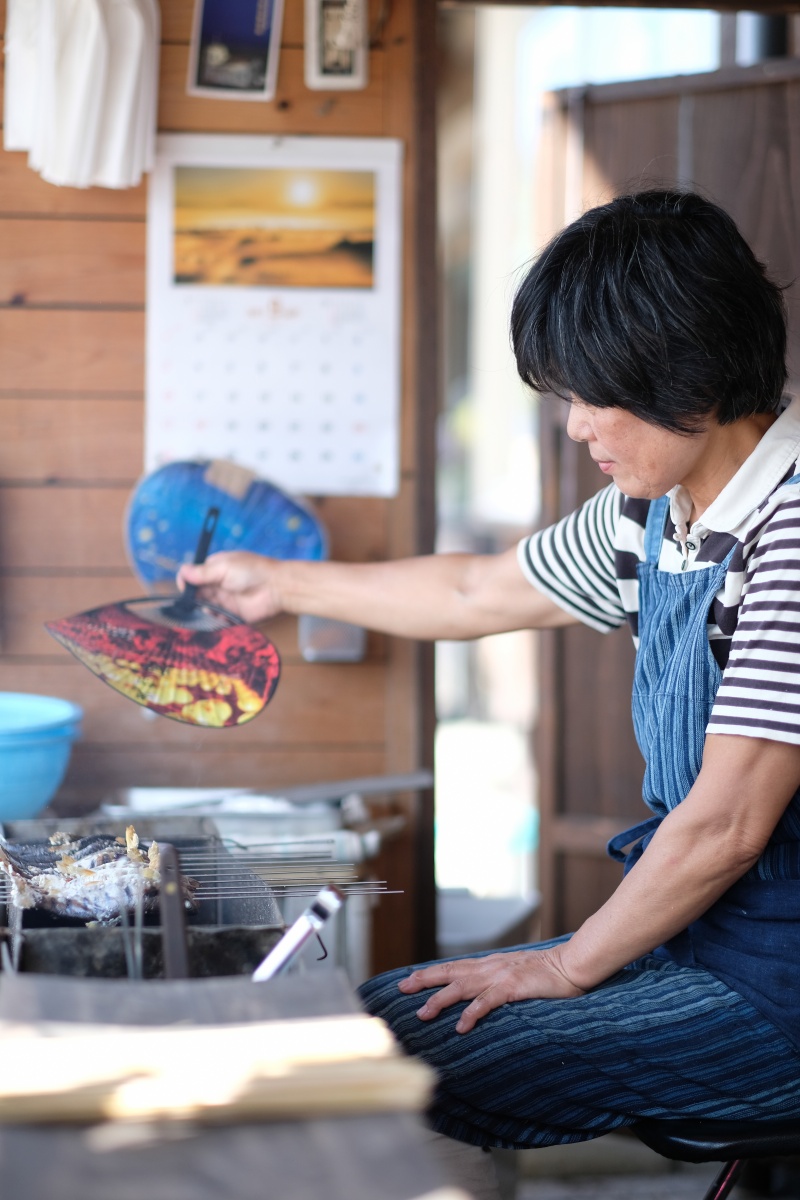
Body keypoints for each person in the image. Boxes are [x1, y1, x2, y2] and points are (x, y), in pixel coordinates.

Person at [179, 190, 800, 1194]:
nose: (571, 428)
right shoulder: (655, 515)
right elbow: (474, 588)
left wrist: (561, 967)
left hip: (779, 985)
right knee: (376, 1017)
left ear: (682, 367)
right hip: (699, 941)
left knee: (392, 1064)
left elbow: (725, 825)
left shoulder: (788, 528)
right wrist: (283, 585)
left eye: (590, 394)